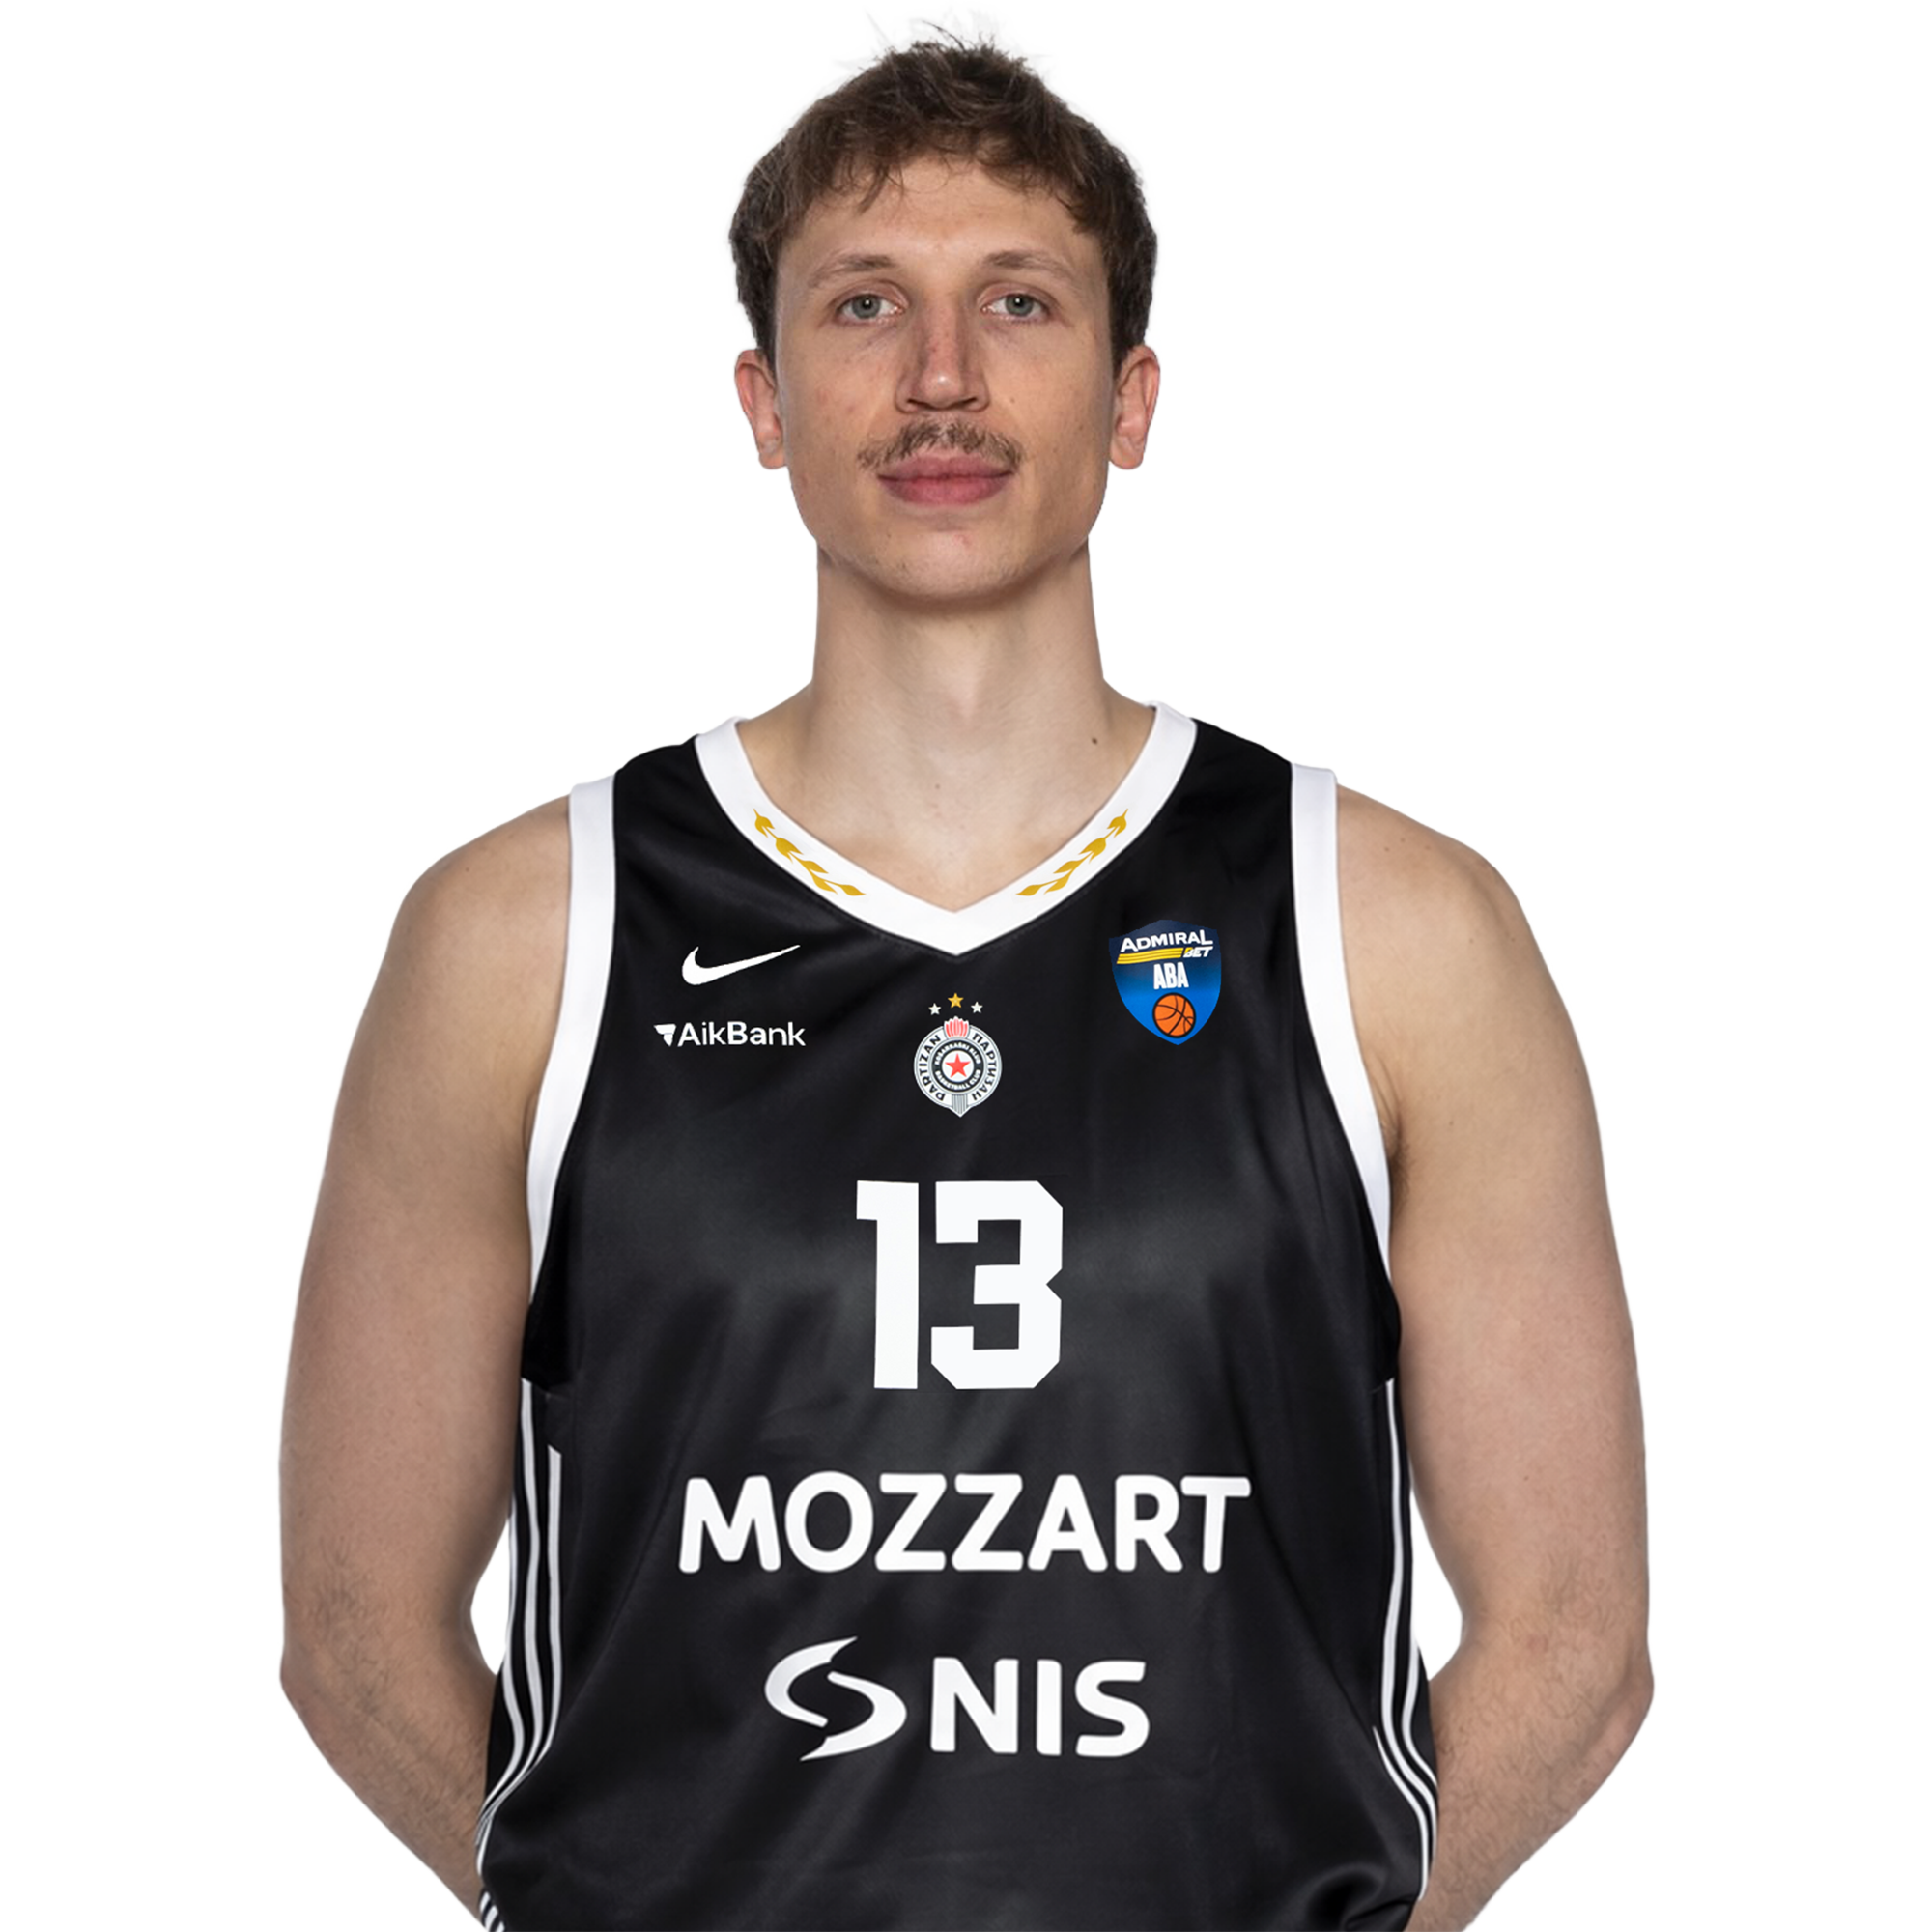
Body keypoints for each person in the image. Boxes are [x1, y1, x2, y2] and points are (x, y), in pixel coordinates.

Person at [279, 19, 1650, 1930]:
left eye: (1018, 301)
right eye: (865, 306)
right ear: (764, 403)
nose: (941, 376)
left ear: (1130, 398)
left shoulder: (1395, 929)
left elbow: (1575, 1637)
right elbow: (354, 1627)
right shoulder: (522, 934)